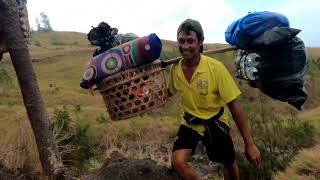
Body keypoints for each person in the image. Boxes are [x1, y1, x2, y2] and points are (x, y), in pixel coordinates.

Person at [167, 18, 261, 180]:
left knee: (229, 164)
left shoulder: (215, 69)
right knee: (178, 162)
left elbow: (234, 107)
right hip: (190, 123)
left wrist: (249, 144)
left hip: (215, 122)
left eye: (191, 41)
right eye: (181, 41)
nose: (185, 46)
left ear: (200, 42)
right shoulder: (176, 69)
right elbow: (166, 93)